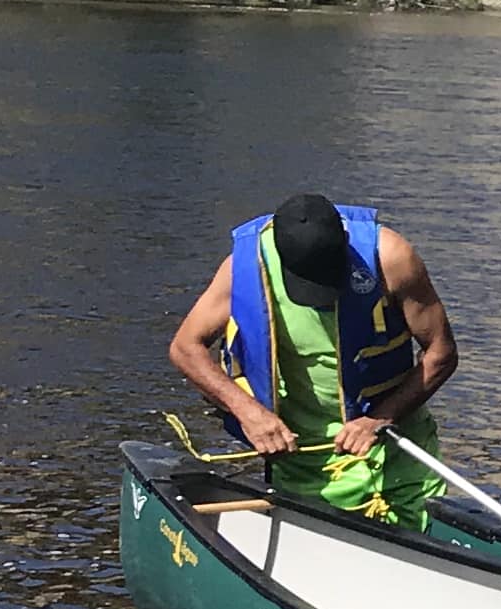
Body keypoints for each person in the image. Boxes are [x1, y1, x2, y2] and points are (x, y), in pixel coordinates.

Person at [168, 193, 461, 526]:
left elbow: (441, 353)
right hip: (298, 462)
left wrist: (380, 418)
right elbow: (185, 347)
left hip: (393, 458)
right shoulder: (245, 267)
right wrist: (248, 412)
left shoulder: (390, 258)